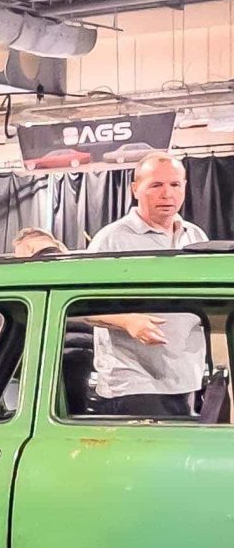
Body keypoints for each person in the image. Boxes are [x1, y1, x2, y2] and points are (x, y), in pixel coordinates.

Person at [82, 153, 210, 416]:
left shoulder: (195, 236)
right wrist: (128, 321)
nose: (167, 194)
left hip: (187, 378)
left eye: (175, 184)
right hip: (132, 382)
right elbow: (80, 305)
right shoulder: (111, 240)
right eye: (156, 185)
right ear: (135, 189)